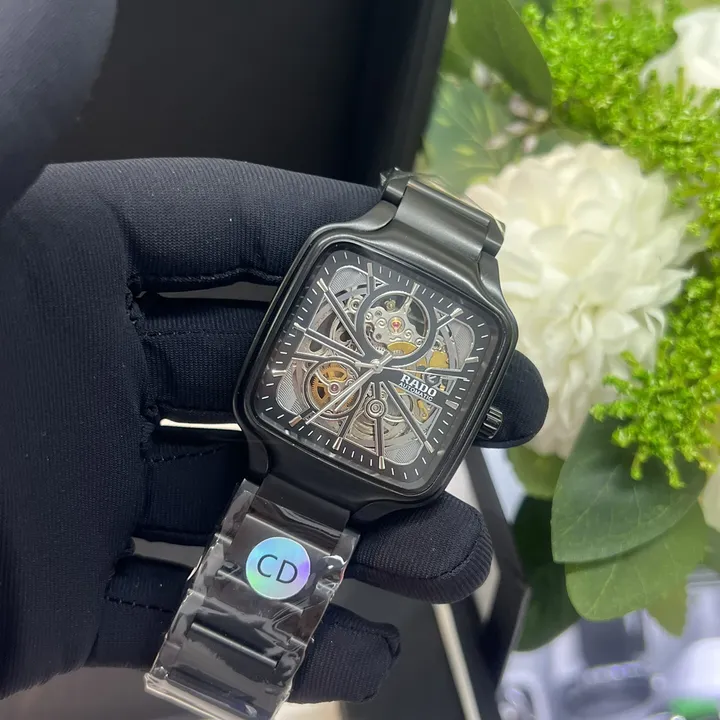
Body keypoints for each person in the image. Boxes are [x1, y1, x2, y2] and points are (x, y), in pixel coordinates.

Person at [0, 0, 548, 708]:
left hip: (335, 464)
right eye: (378, 341)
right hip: (298, 446)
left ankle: (224, 679)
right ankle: (218, 677)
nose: (382, 357)